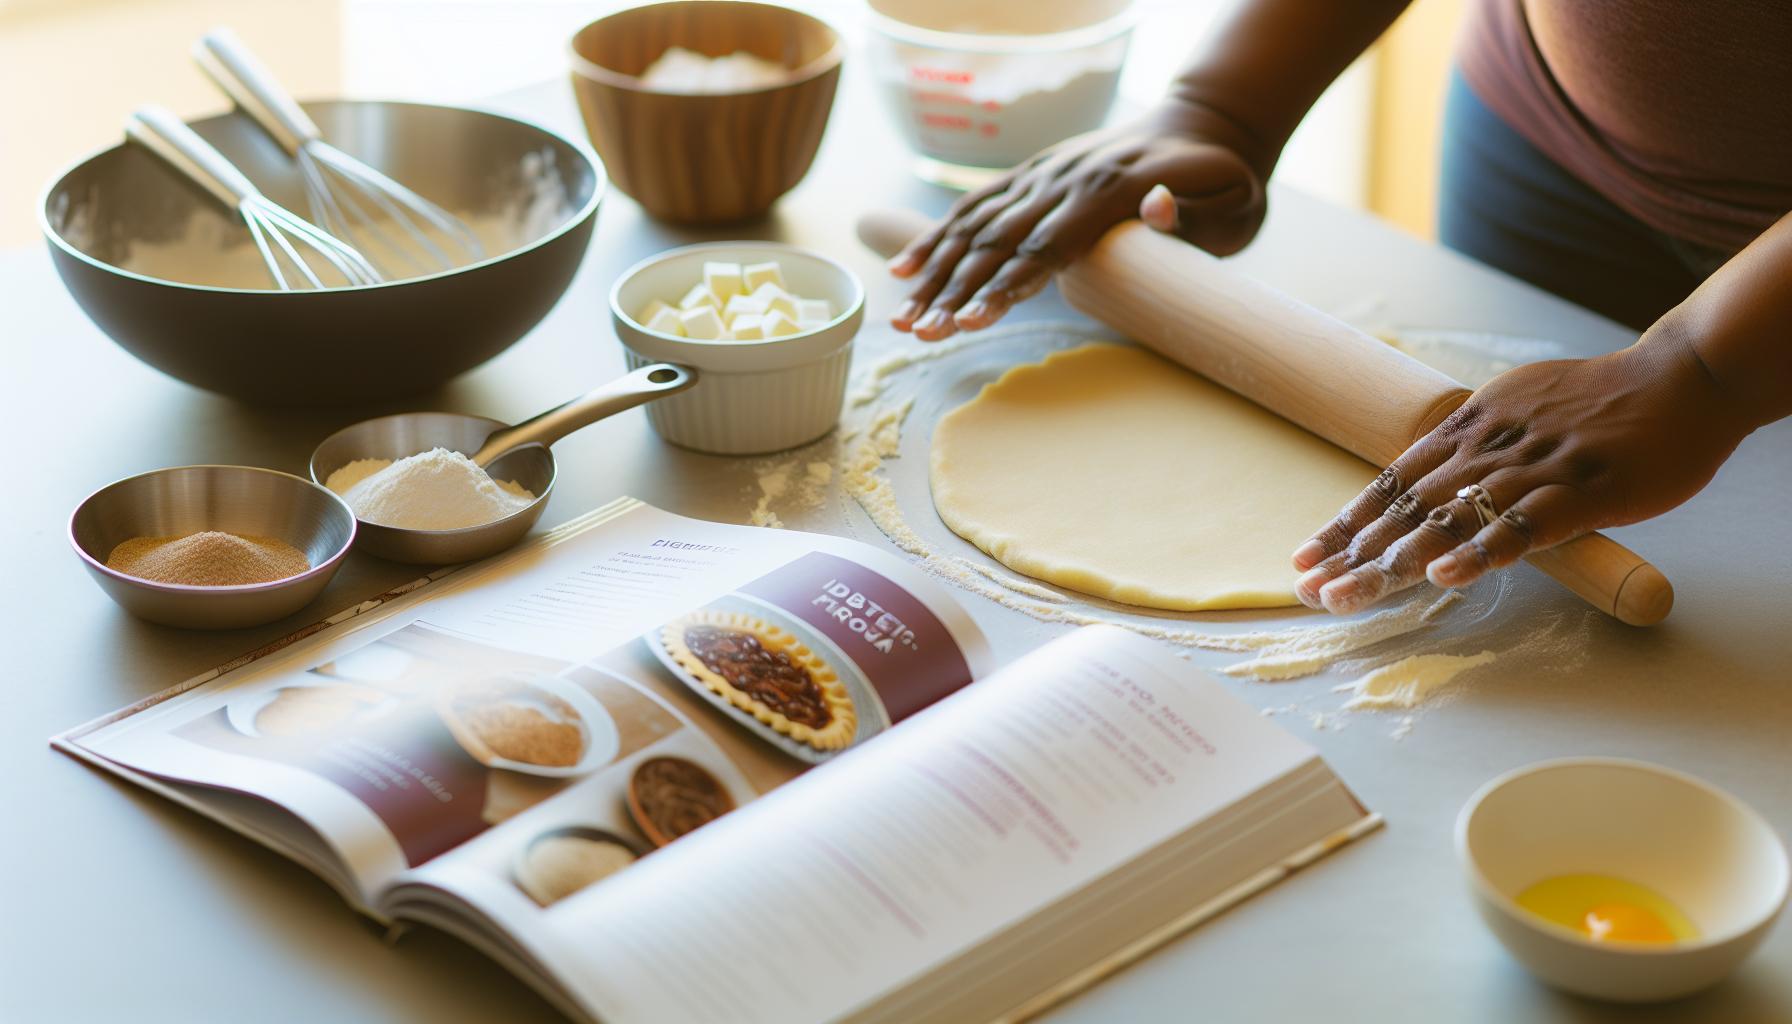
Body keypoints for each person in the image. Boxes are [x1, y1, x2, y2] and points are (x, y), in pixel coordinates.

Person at [886, 0, 1791, 616]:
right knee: (1504, 457)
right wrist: (1225, 107)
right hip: (1547, 139)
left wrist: (1703, 369)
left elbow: (1701, 378)